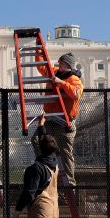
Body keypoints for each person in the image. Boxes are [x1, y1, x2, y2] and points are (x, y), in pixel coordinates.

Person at [32, 52, 83, 187]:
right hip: (50, 119)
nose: (58, 64)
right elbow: (42, 67)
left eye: (61, 63)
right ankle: (48, 169)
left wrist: (61, 83)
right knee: (36, 140)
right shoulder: (55, 72)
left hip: (64, 122)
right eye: (59, 62)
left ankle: (70, 184)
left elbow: (76, 94)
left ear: (68, 65)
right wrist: (39, 52)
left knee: (65, 153)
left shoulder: (74, 79)